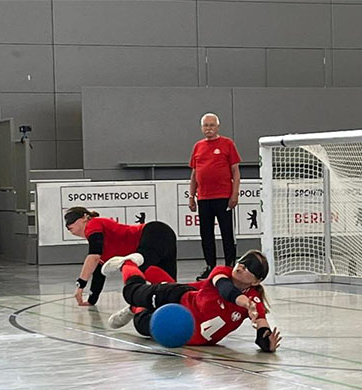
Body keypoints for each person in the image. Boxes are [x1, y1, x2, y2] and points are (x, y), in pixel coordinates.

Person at [104, 249, 281, 352]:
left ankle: (134, 309)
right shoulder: (222, 272)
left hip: (183, 332)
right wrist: (244, 303)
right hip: (177, 297)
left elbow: (261, 325)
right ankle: (129, 263)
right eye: (242, 261)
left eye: (251, 267)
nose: (242, 266)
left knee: (141, 323)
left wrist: (267, 342)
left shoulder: (254, 298)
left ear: (256, 281)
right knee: (132, 292)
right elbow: (225, 289)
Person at [64, 206, 177, 307]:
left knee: (140, 270)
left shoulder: (93, 223)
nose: (67, 226)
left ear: (84, 217)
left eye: (71, 221)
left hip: (153, 233)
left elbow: (93, 257)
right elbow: (99, 273)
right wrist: (91, 300)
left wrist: (80, 285)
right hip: (162, 235)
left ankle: (139, 302)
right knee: (168, 286)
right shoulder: (103, 247)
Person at [188, 113, 241, 280]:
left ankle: (230, 266)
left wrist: (234, 194)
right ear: (201, 128)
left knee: (226, 232)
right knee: (206, 234)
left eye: (211, 125)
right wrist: (191, 195)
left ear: (217, 127)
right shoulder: (198, 146)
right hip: (204, 198)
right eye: (206, 125)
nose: (208, 128)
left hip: (223, 196)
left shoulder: (227, 144)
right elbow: (194, 174)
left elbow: (235, 172)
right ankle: (210, 266)